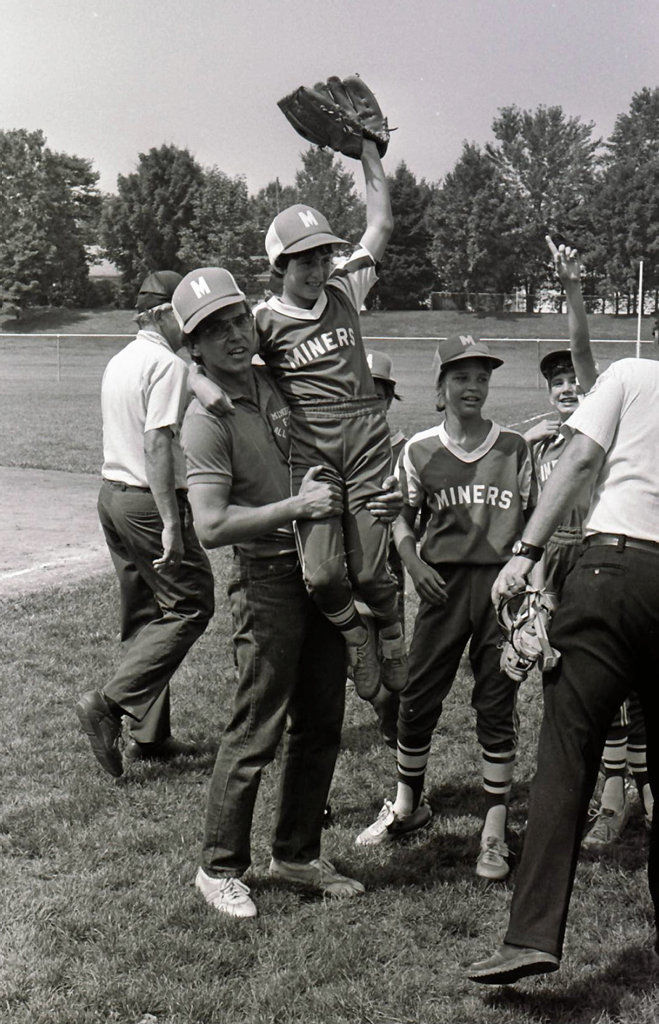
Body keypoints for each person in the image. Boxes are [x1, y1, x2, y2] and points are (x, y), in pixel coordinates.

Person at [174, 267, 402, 919]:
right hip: (267, 577)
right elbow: (212, 525)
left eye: (237, 320)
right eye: (213, 330)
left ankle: (297, 854)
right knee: (258, 725)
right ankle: (217, 868)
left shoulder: (272, 379)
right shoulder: (206, 417)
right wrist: (294, 506)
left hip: (316, 567)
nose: (232, 334)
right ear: (194, 345)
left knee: (322, 722)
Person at [467, 343, 659, 984]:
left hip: (614, 569)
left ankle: (531, 936)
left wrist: (526, 550)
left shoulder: (631, 375)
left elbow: (579, 458)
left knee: (567, 749)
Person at [355, 335, 536, 882]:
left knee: (496, 700)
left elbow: (533, 517)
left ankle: (494, 830)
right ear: (440, 388)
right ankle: (408, 806)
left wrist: (527, 571)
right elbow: (403, 515)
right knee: (418, 694)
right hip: (441, 587)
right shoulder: (419, 450)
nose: (472, 387)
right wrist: (413, 564)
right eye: (460, 377)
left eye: (481, 377)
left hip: (501, 589)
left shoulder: (513, 448)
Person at [251, 139, 405, 699]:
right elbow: (217, 367)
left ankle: (389, 629)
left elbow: (381, 222)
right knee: (321, 576)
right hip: (311, 447)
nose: (317, 268)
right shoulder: (261, 322)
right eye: (304, 260)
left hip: (364, 437)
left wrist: (368, 152)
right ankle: (355, 635)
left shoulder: (344, 288)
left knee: (368, 572)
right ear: (280, 266)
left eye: (322, 257)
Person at [526, 242, 652, 847]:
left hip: (606, 555)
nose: (571, 391)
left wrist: (573, 290)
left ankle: (623, 798)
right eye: (560, 386)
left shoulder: (616, 400)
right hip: (567, 556)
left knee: (624, 690)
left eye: (576, 385)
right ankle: (610, 797)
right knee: (583, 686)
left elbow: (582, 355)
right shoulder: (544, 440)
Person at [75, 272, 215, 778]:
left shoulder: (121, 359)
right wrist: (172, 523)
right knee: (191, 604)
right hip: (146, 501)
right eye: (182, 313)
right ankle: (108, 706)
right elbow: (158, 444)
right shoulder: (167, 364)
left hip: (111, 495)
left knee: (144, 614)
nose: (190, 323)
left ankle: (150, 737)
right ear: (160, 315)